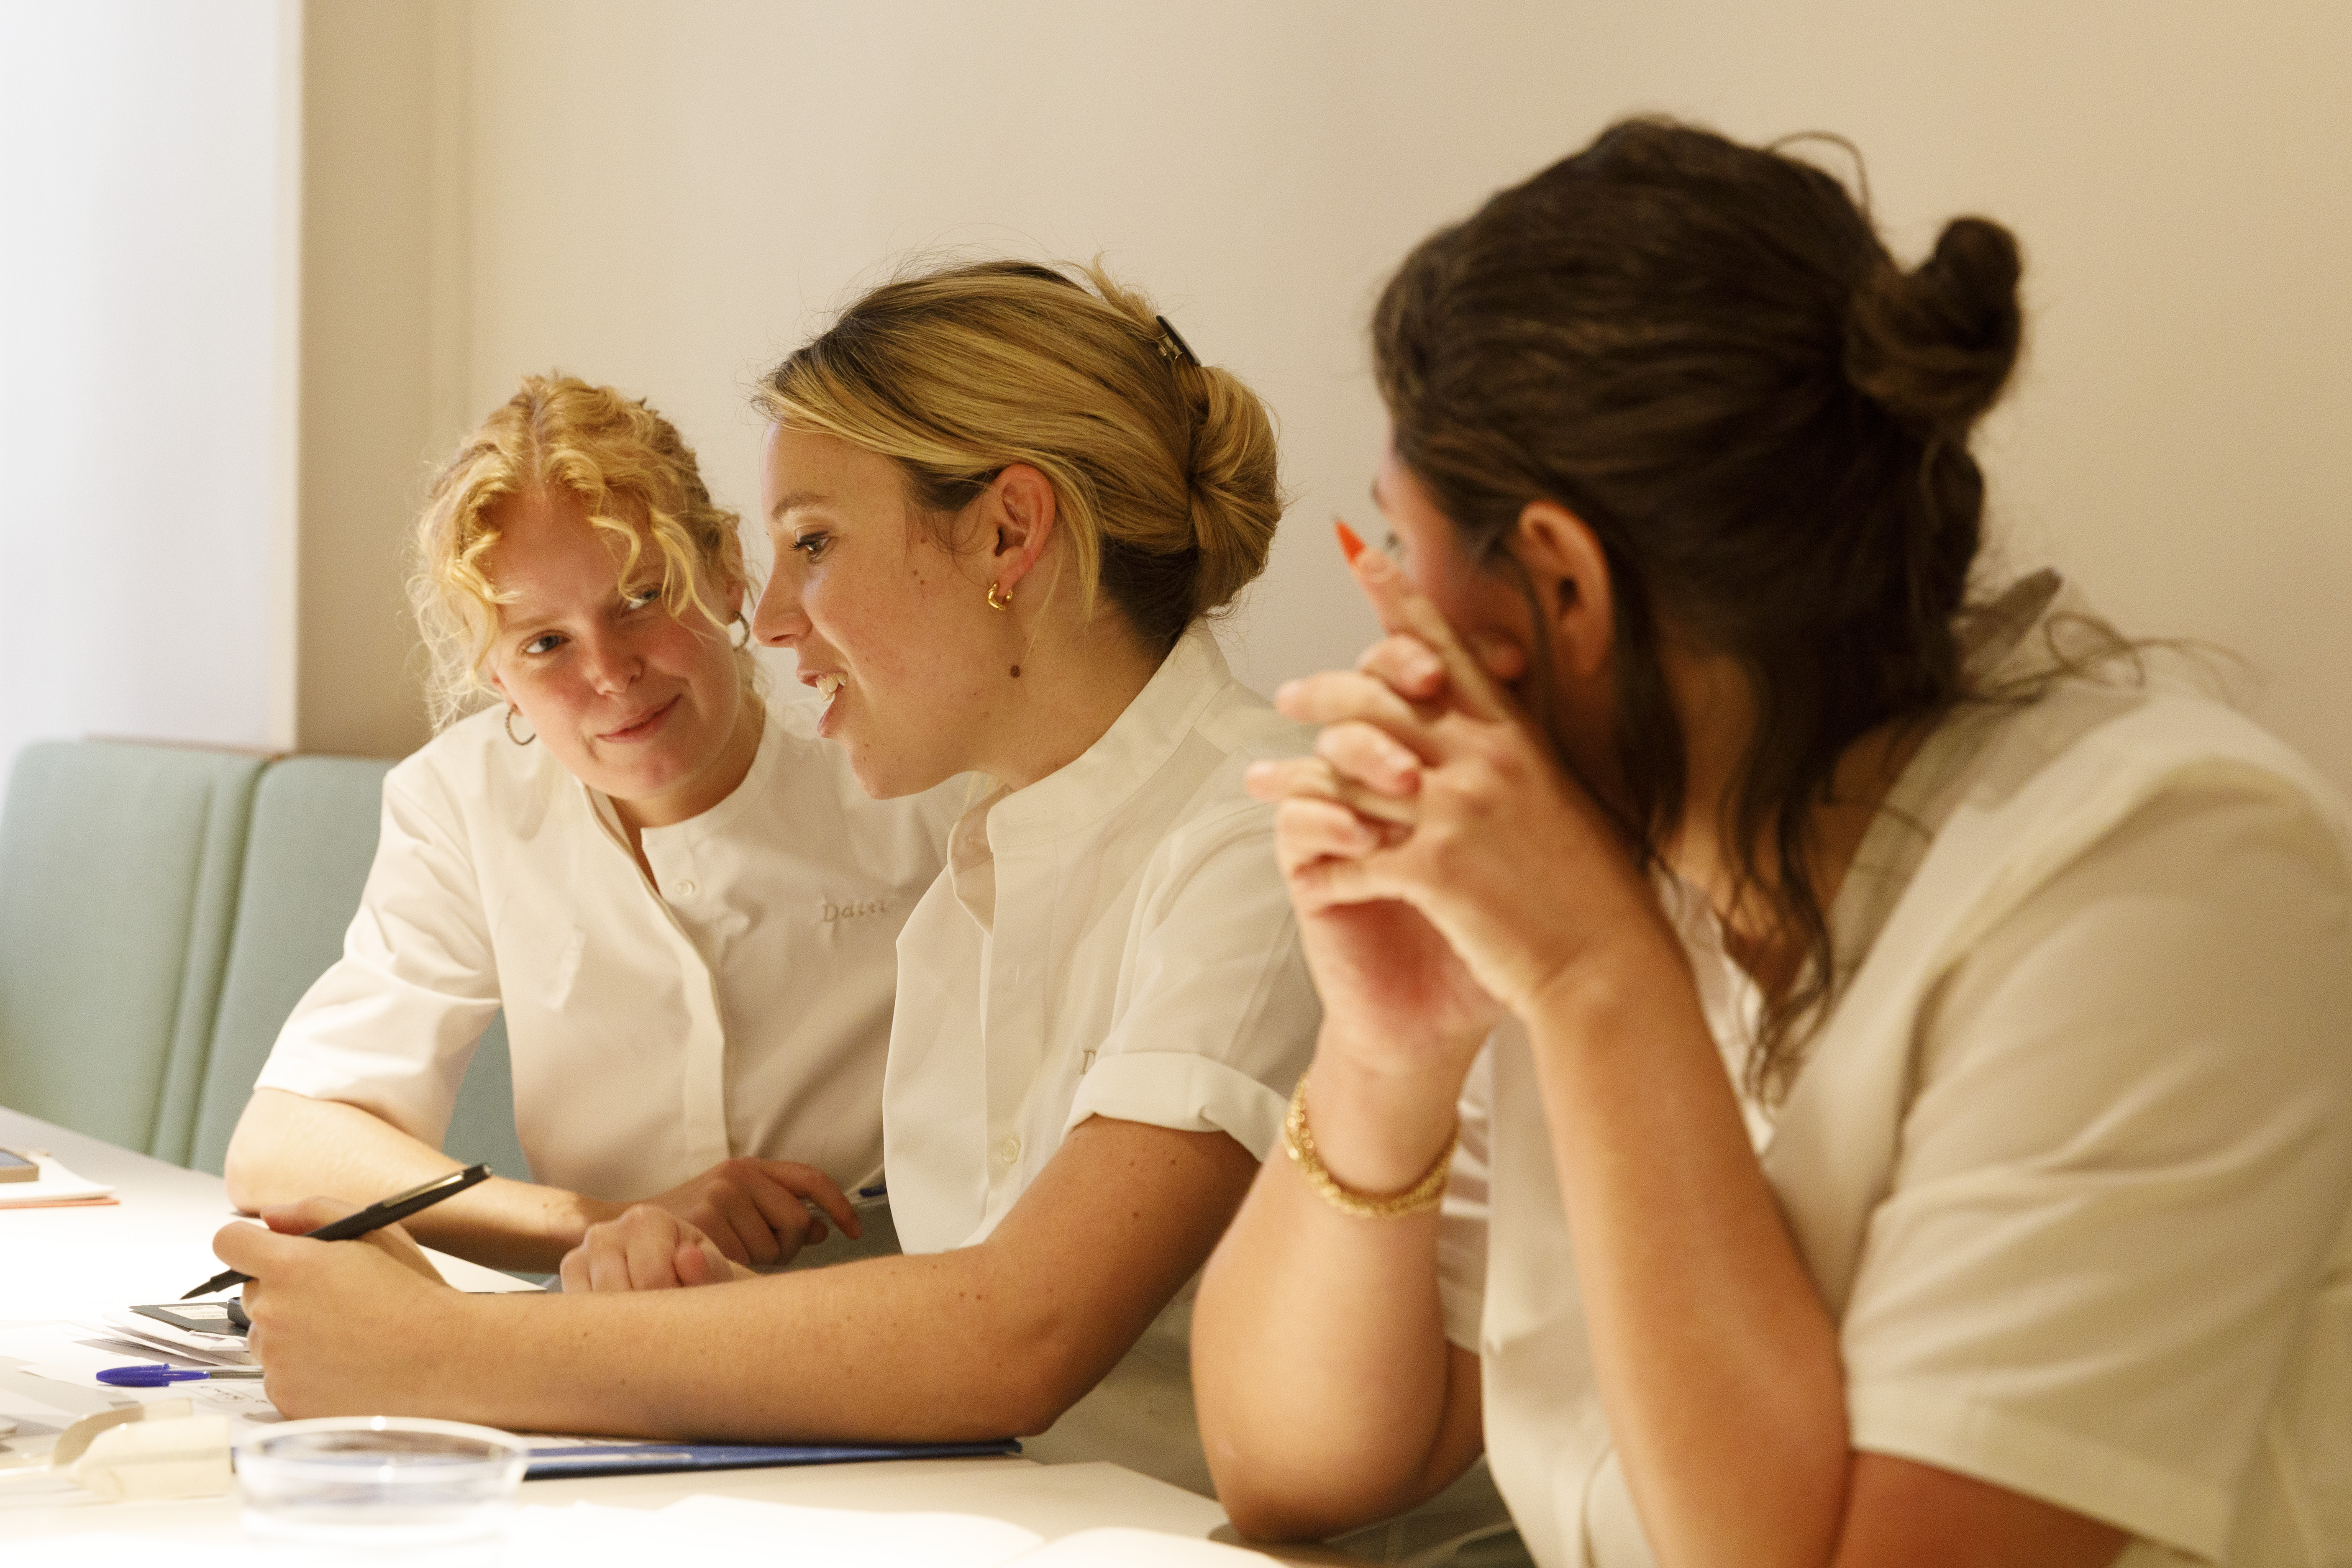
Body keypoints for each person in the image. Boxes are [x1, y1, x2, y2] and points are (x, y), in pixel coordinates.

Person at [1194, 120, 2352, 1568]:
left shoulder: (2174, 867)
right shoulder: (1608, 852)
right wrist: (1387, 1053)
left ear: (1557, 578)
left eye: (1396, 545)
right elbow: (1289, 1461)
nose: (1390, 612)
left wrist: (1596, 979)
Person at [211, 262, 1321, 1496]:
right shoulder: (987, 859)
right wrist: (701, 1312)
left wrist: (441, 1350)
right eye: (542, 643)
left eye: (813, 543)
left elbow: (1017, 1334)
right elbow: (978, 1309)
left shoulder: (1258, 836)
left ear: (1009, 532)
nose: (776, 619)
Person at [224, 375, 956, 1274]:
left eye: (643, 598)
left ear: (728, 569)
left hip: (889, 1322)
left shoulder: (906, 767)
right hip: (612, 1336)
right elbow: (285, 1140)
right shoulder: (465, 799)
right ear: (495, 673)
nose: (610, 671)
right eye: (545, 642)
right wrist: (618, 1221)